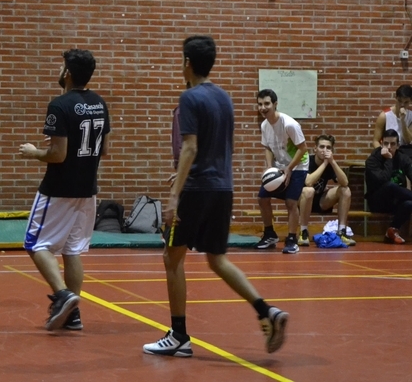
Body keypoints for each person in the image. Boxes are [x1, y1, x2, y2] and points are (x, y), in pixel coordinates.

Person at [142, 35, 288, 357]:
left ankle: (179, 335)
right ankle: (266, 310)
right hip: (223, 188)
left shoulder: (189, 97)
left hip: (196, 190)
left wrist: (174, 195)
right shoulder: (225, 98)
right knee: (216, 259)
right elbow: (216, 147)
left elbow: (190, 147)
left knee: (171, 257)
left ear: (187, 63)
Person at [19, 49, 110, 331]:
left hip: (58, 190)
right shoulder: (100, 103)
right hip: (87, 189)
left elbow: (57, 155)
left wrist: (34, 152)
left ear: (67, 73)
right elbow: (104, 149)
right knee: (71, 251)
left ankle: (62, 294)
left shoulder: (59, 105)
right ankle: (73, 315)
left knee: (35, 244)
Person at [255, 89, 309, 254]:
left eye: (266, 104)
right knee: (262, 198)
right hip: (279, 166)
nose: (263, 108)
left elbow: (303, 148)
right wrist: (269, 167)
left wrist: (289, 168)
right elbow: (267, 148)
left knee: (291, 202)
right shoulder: (264, 125)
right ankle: (270, 234)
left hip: (298, 165)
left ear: (275, 104)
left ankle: (292, 239)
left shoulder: (289, 124)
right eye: (260, 104)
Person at [298, 134, 353, 247]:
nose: (325, 150)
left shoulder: (330, 163)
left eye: (328, 148)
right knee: (309, 190)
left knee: (345, 190)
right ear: (315, 149)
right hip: (302, 200)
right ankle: (303, 232)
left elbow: (345, 182)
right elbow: (309, 182)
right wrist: (325, 163)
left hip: (320, 201)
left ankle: (341, 231)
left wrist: (332, 162)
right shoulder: (307, 161)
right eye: (322, 147)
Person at [365, 129, 412, 244]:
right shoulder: (372, 160)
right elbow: (384, 180)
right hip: (377, 202)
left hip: (396, 201)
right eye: (386, 144)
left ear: (398, 146)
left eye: (392, 144)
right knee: (390, 186)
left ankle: (392, 230)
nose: (389, 147)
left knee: (409, 203)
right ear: (381, 144)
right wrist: (389, 159)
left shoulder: (403, 158)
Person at [372, 84, 412, 154]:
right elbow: (375, 141)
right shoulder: (384, 116)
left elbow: (409, 141)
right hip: (388, 150)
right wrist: (382, 152)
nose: (402, 105)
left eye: (406, 102)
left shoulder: (411, 116)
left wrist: (403, 121)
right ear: (395, 98)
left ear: (410, 101)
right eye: (400, 101)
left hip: (405, 152)